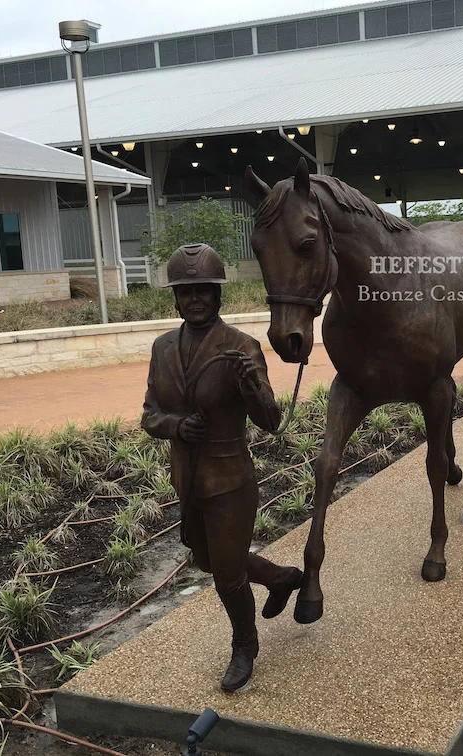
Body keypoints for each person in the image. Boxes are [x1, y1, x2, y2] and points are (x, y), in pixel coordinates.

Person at [141, 243, 302, 693]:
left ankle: (245, 646)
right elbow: (149, 414)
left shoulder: (240, 347)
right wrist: (175, 424)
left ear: (218, 295)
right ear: (175, 297)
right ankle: (281, 578)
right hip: (188, 479)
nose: (195, 299)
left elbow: (270, 422)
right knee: (208, 558)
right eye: (186, 291)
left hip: (230, 479)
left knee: (228, 576)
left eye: (205, 291)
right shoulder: (163, 348)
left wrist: (252, 386)